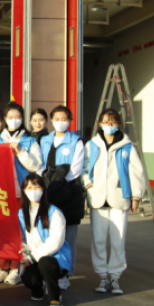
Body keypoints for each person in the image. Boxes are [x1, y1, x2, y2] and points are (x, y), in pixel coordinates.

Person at [82, 108, 144, 295]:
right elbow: (83, 168)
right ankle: (102, 276)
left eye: (113, 122)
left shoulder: (127, 146)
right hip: (98, 199)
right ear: (100, 124)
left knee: (118, 241)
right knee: (99, 241)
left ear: (119, 124)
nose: (109, 126)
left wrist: (136, 197)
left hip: (119, 199)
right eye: (106, 122)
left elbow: (137, 172)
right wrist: (88, 185)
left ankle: (115, 277)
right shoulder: (92, 145)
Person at [0, 102, 43, 285]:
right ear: (5, 119)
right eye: (10, 117)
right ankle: (0, 267)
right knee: (1, 230)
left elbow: (36, 166)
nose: (14, 120)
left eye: (18, 117)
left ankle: (16, 268)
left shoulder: (30, 141)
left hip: (23, 193)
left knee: (20, 231)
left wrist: (19, 152)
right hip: (0, 193)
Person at [38, 105, 85, 291]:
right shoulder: (44, 140)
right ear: (51, 120)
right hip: (47, 190)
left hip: (68, 191)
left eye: (64, 119)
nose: (60, 122)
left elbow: (76, 168)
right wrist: (46, 180)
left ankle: (65, 274)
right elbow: (40, 163)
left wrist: (58, 181)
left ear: (70, 120)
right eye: (57, 119)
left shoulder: (76, 141)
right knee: (48, 233)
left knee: (68, 235)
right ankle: (49, 272)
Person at [19, 173, 72, 306]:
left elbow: (56, 241)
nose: (33, 191)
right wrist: (24, 249)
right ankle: (37, 290)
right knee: (28, 278)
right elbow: (21, 239)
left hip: (54, 259)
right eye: (29, 188)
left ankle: (55, 296)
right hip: (32, 257)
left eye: (37, 187)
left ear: (43, 189)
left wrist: (33, 257)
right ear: (24, 191)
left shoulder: (54, 212)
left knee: (45, 262)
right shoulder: (21, 214)